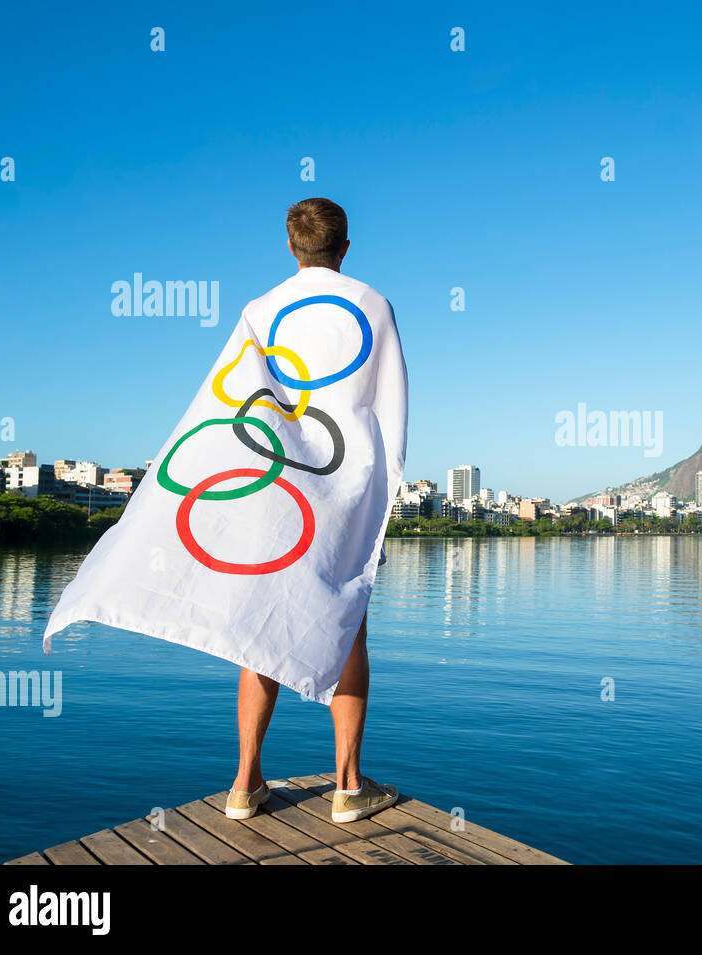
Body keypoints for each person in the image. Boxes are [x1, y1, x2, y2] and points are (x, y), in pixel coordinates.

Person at [223, 198, 398, 824]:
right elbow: (389, 410)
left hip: (271, 488)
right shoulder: (372, 305)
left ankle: (245, 785)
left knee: (258, 628)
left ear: (291, 248)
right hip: (344, 490)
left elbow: (230, 403)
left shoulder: (259, 310)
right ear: (345, 246)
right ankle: (348, 788)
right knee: (349, 623)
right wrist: (382, 494)